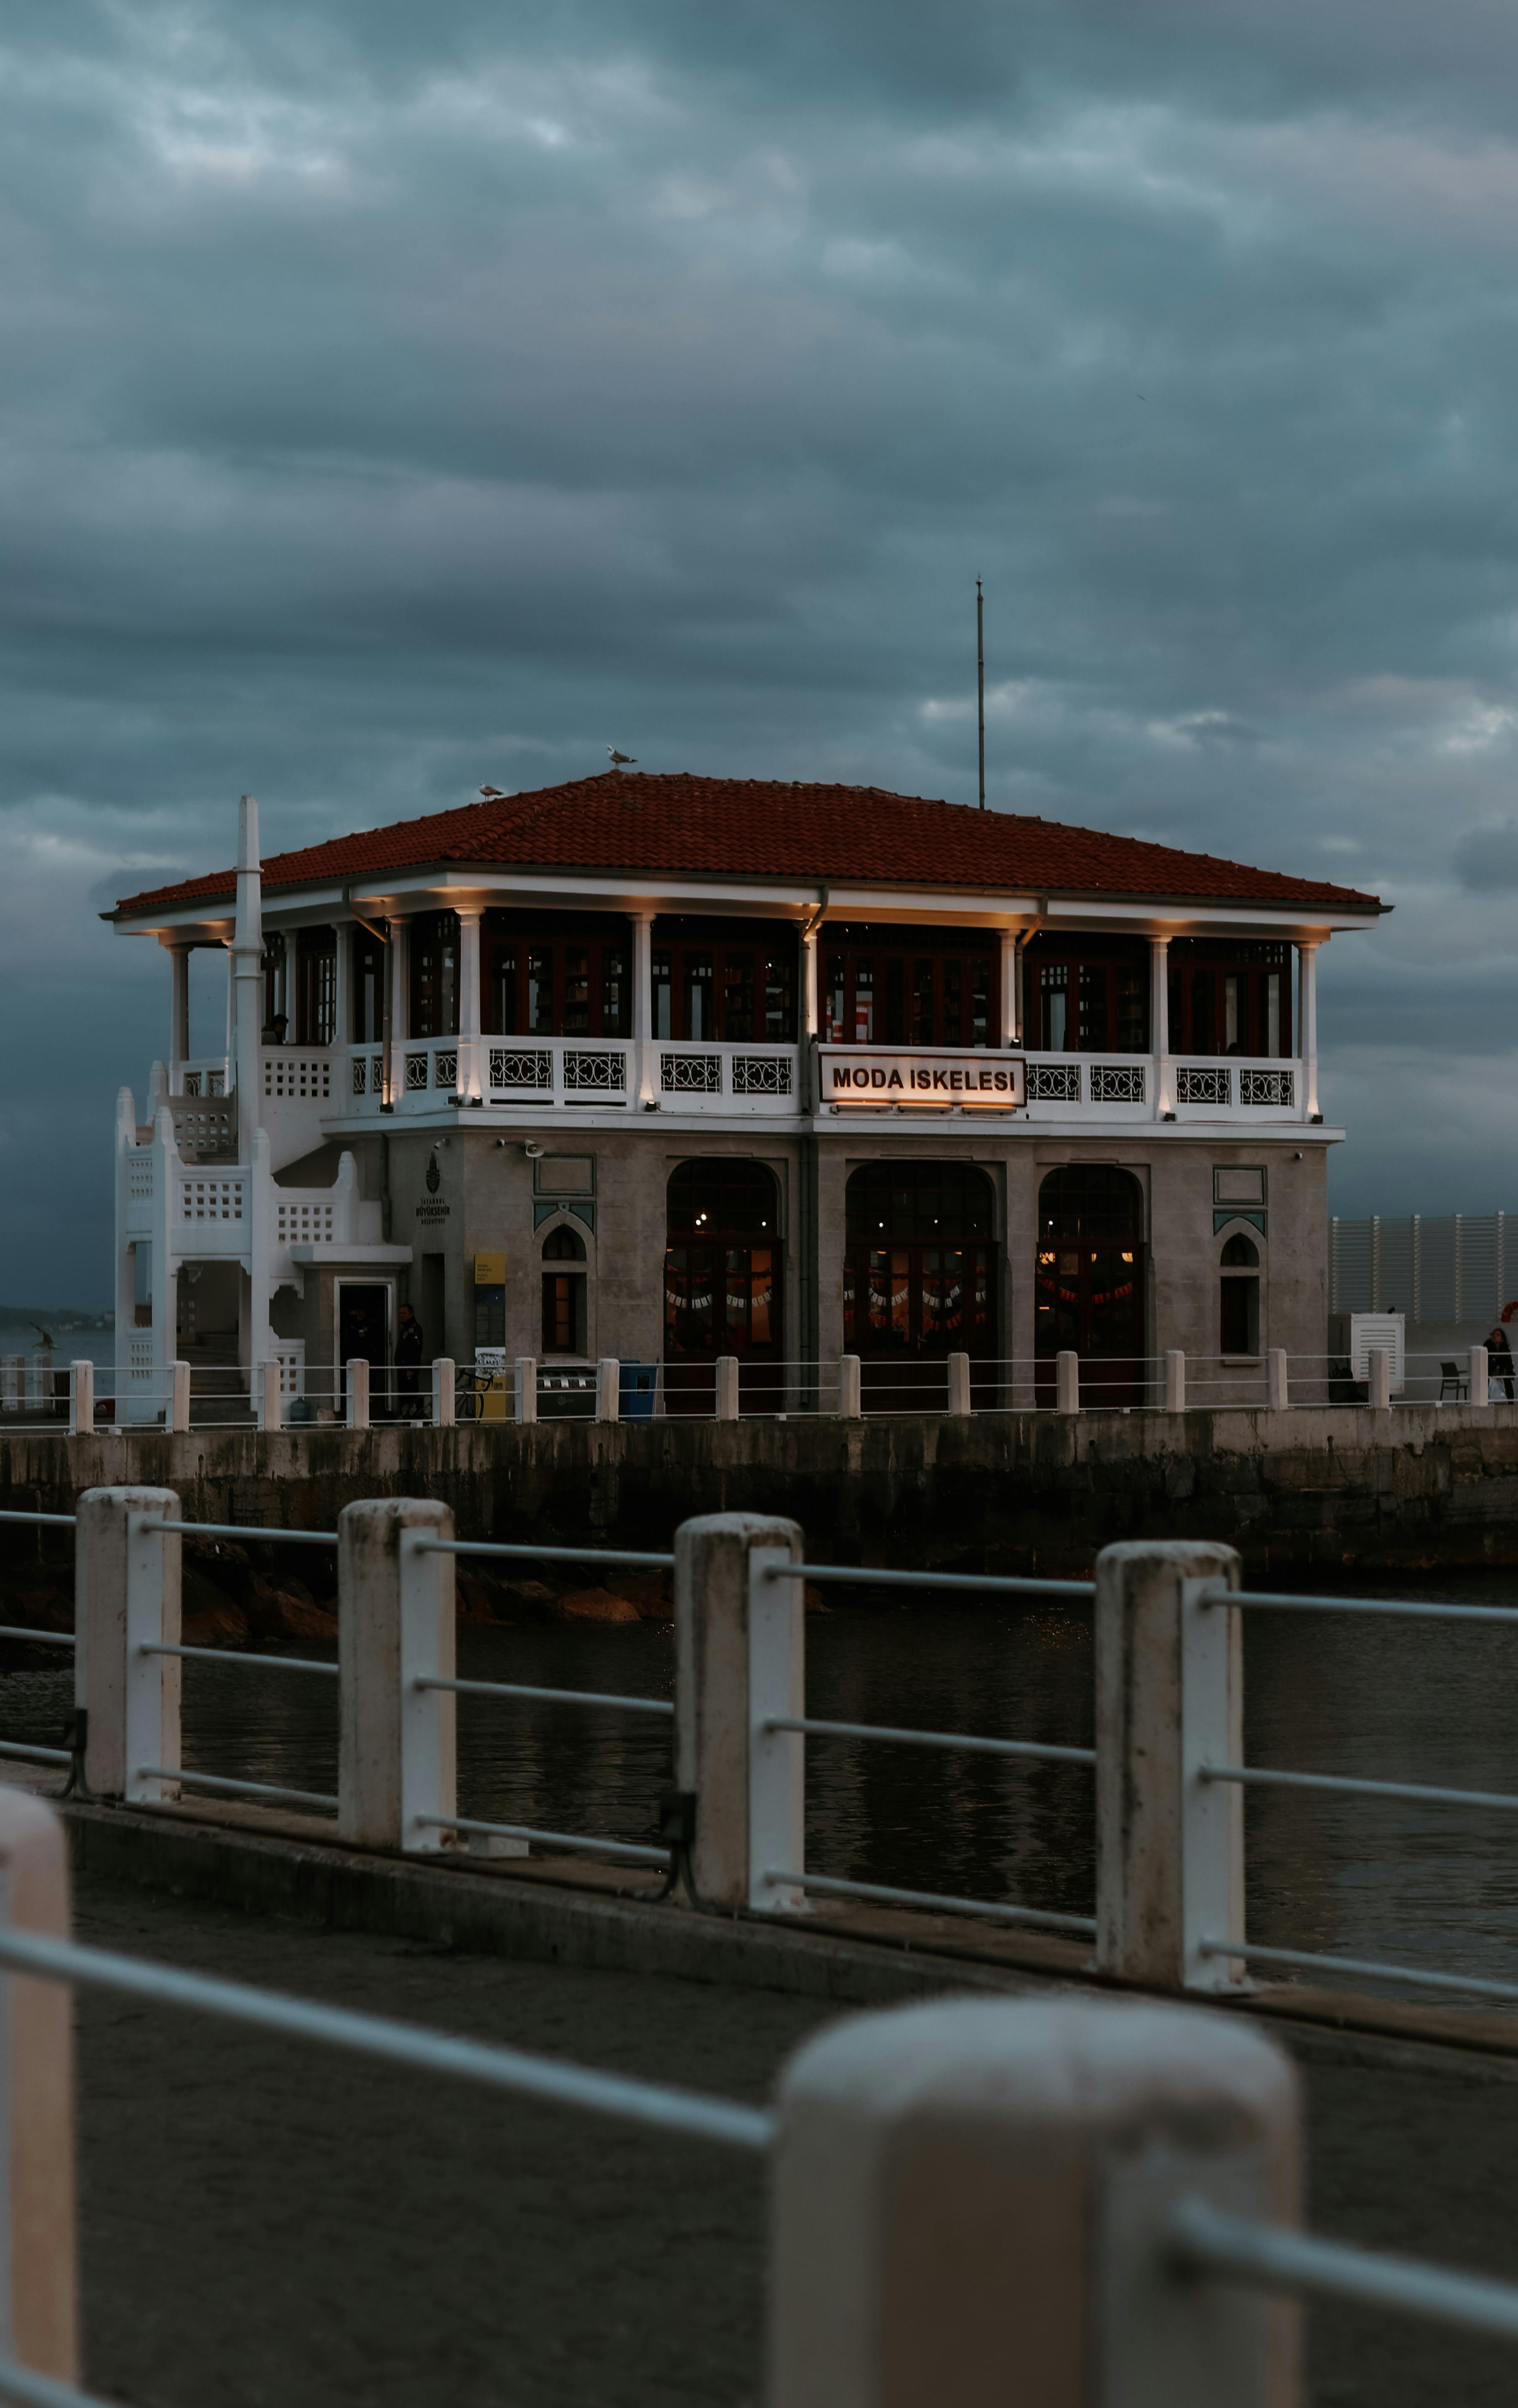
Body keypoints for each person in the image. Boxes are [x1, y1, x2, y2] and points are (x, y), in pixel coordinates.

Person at [395, 1302, 425, 1420]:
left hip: (409, 1370)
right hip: (402, 1369)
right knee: (403, 1394)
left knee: (411, 1394)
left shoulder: (415, 1329)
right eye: (400, 1314)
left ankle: (413, 1417)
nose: (402, 1316)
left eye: (404, 1313)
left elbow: (416, 1351)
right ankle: (406, 1415)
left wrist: (412, 1368)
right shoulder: (406, 1329)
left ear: (411, 1314)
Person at [1487, 1324, 1515, 1404]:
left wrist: (1503, 1371)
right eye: (1494, 1335)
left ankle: (1510, 1403)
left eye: (1498, 1335)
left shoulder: (1506, 1350)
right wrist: (1493, 1371)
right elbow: (1487, 1363)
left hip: (1504, 1373)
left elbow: (1509, 1364)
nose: (1495, 1337)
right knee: (1487, 1382)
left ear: (1502, 1339)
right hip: (1491, 1374)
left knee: (1508, 1382)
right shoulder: (1488, 1348)